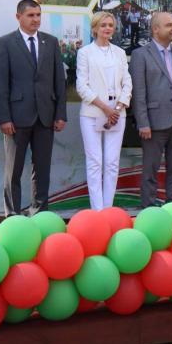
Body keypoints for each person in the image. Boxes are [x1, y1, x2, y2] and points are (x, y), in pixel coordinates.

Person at [0, 0, 67, 216]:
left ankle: (39, 214)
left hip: (45, 117)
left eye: (38, 15)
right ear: (19, 17)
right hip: (16, 118)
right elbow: (0, 84)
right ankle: (12, 216)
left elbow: (59, 81)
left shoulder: (50, 42)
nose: (36, 19)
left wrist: (60, 114)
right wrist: (4, 118)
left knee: (42, 169)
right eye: (30, 15)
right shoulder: (5, 43)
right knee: (13, 170)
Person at [129, 12, 172, 207]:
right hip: (153, 124)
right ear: (155, 29)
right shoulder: (140, 55)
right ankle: (149, 209)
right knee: (150, 170)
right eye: (169, 25)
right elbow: (138, 93)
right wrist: (143, 123)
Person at [76, 12, 132, 210]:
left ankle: (107, 209)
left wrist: (118, 107)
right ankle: (97, 211)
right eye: (103, 25)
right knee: (95, 162)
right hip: (92, 113)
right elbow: (82, 86)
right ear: (95, 28)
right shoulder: (85, 53)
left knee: (112, 163)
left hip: (117, 114)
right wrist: (105, 108)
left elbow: (127, 82)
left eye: (110, 25)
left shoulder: (119, 52)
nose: (107, 28)